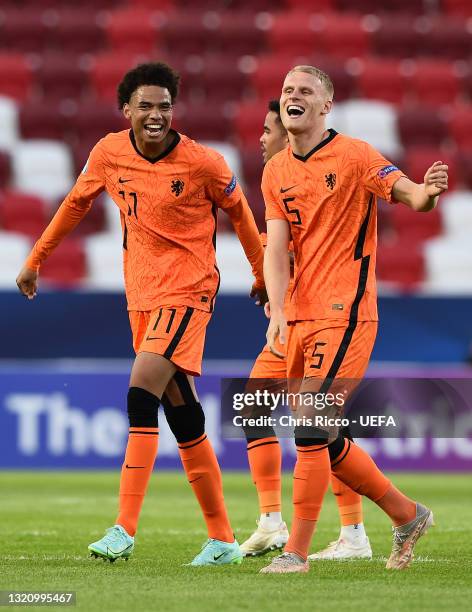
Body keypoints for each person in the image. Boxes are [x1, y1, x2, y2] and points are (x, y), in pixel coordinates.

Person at [16, 62, 267, 566]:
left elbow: (241, 212)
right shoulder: (109, 153)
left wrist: (263, 274)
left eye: (165, 106)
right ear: (126, 109)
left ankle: (123, 529)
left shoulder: (203, 163)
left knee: (139, 394)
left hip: (189, 290)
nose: (157, 115)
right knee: (184, 415)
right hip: (142, 296)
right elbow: (74, 204)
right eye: (146, 105)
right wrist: (35, 258)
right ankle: (222, 540)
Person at [260, 66, 447, 573]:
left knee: (310, 419)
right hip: (298, 315)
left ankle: (295, 552)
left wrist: (427, 193)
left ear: (326, 106)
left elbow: (409, 194)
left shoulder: (355, 155)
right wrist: (277, 311)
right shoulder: (276, 170)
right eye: (287, 91)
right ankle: (406, 514)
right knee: (321, 430)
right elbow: (276, 250)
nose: (293, 97)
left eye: (305, 91)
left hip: (346, 311)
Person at [240, 100, 372, 561]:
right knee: (253, 402)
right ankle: (271, 521)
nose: (261, 138)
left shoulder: (316, 175)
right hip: (289, 322)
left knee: (318, 425)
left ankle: (353, 532)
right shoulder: (277, 183)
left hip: (323, 317)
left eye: (267, 130)